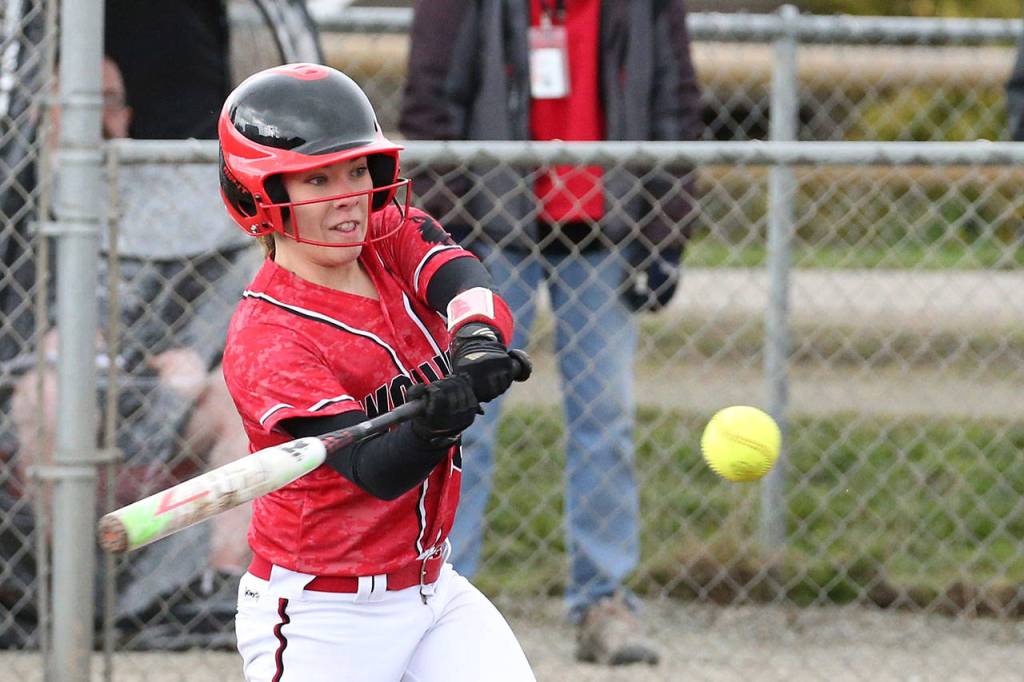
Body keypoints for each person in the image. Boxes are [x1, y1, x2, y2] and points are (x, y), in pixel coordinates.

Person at [399, 0, 704, 666]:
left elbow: (675, 99)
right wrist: (444, 238)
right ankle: (440, 600)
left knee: (606, 420)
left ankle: (603, 601)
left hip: (606, 231)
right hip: (489, 231)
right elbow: (429, 99)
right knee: (461, 421)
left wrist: (666, 232)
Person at [218, 63, 535, 681]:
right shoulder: (268, 340)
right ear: (258, 196)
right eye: (316, 180)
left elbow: (459, 275)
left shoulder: (381, 235)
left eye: (356, 170)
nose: (347, 199)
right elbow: (374, 469)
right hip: (320, 615)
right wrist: (439, 424)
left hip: (430, 589)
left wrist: (474, 343)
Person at [4, 49, 258, 649]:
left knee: (235, 398)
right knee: (48, 393)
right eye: (79, 104)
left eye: (109, 103)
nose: (97, 119)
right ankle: (58, 592)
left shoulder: (176, 200)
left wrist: (197, 361)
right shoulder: (15, 194)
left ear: (128, 116)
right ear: (42, 115)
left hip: (161, 398)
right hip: (44, 397)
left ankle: (220, 590)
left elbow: (215, 305)